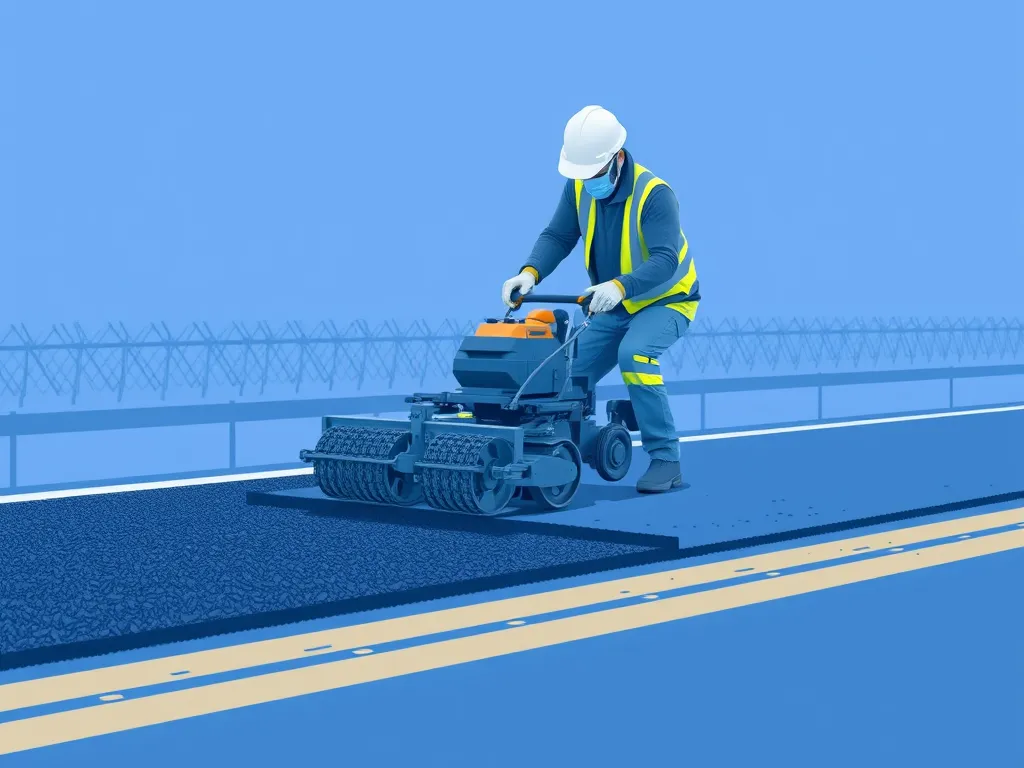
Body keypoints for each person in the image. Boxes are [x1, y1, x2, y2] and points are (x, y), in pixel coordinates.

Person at [501, 105, 700, 494]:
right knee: (564, 370)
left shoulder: (655, 195)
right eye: (581, 174)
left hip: (667, 301)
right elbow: (558, 236)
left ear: (618, 158)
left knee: (635, 355)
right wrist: (529, 273)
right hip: (613, 303)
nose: (586, 181)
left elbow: (665, 259)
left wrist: (620, 287)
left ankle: (666, 459)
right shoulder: (578, 185)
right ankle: (563, 444)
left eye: (592, 173)